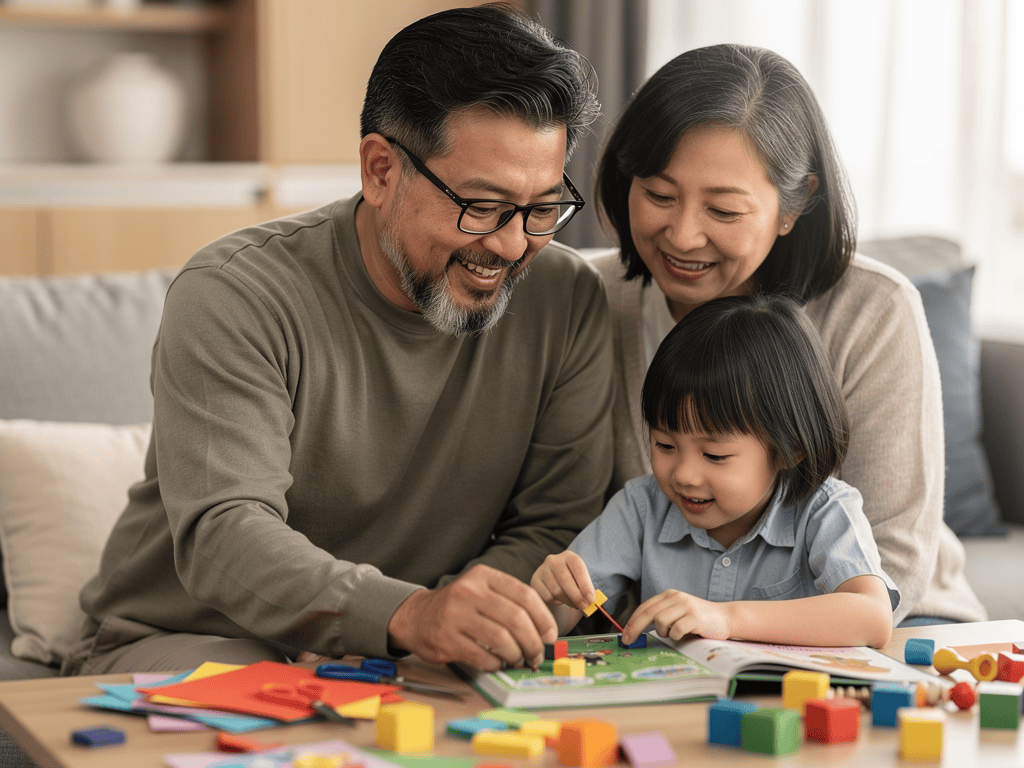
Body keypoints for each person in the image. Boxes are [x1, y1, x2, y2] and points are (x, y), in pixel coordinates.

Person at [62, 3, 612, 677]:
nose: (511, 243)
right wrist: (404, 617)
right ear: (380, 170)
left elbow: (556, 524)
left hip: (408, 652)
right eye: (483, 206)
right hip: (195, 639)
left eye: (543, 207)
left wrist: (457, 620)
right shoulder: (236, 293)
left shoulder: (568, 299)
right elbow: (226, 531)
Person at [590, 43, 985, 626]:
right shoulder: (590, 299)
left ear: (791, 208)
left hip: (890, 624)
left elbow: (894, 558)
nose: (682, 234)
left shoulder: (872, 309)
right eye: (658, 195)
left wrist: (731, 628)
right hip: (666, 636)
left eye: (723, 211)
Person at [532, 294, 897, 649]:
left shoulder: (825, 510)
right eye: (665, 445)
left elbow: (872, 617)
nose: (684, 475)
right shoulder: (642, 507)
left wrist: (726, 619)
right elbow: (557, 622)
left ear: (790, 449)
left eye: (714, 454)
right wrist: (552, 595)